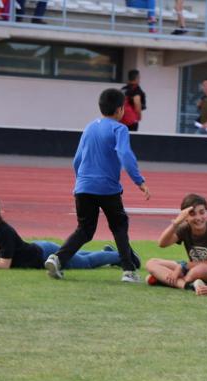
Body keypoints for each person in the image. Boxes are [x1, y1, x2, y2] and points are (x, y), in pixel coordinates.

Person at [44, 88, 150, 283]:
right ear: (120, 110)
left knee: (84, 229)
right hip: (107, 188)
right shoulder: (120, 129)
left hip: (83, 187)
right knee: (119, 226)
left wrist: (81, 181)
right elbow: (125, 155)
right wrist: (139, 181)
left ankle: (57, 258)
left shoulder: (89, 128)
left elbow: (77, 159)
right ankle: (128, 271)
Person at [0, 197, 122, 271]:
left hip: (44, 254)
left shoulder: (4, 232)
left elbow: (3, 265)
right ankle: (107, 253)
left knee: (85, 263)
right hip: (39, 247)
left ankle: (123, 256)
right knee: (77, 255)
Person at [145, 193, 207, 290]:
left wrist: (182, 266)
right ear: (185, 216)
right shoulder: (185, 228)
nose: (198, 218)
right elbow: (162, 243)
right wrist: (176, 223)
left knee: (200, 270)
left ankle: (164, 279)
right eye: (192, 214)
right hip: (191, 268)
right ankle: (188, 285)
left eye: (202, 212)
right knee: (151, 263)